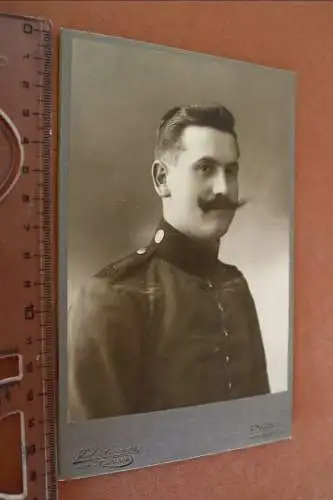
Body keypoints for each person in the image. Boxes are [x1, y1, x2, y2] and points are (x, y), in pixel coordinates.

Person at [67, 104, 270, 421]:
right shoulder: (113, 295)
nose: (223, 189)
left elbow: (261, 425)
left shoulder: (235, 285)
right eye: (205, 168)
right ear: (162, 179)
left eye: (231, 171)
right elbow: (103, 456)